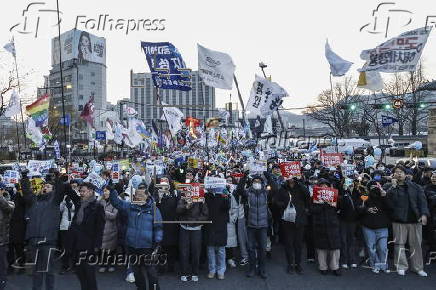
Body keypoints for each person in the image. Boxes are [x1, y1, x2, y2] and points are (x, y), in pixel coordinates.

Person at [109, 182, 163, 290]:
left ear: (147, 195)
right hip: (132, 246)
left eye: (141, 195)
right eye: (137, 195)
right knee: (137, 272)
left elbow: (158, 227)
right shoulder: (131, 206)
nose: (139, 197)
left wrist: (157, 244)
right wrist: (113, 190)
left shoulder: (154, 209)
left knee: (151, 272)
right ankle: (141, 288)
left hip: (148, 247)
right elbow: (116, 203)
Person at [21, 170, 66, 290]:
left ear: (53, 189)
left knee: (49, 270)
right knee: (36, 271)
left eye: (48, 186)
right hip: (34, 241)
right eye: (44, 186)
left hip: (48, 241)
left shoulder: (55, 201)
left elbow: (61, 189)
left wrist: (57, 177)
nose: (44, 187)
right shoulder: (34, 201)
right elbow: (26, 192)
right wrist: (25, 178)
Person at [385, 165, 430, 277]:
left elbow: (422, 202)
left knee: (416, 245)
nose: (399, 174)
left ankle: (418, 267)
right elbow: (389, 204)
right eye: (396, 172)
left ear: (405, 174)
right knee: (399, 244)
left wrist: (424, 214)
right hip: (399, 220)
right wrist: (393, 188)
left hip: (415, 219)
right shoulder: (390, 187)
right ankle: (401, 266)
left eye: (401, 172)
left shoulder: (416, 187)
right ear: (393, 175)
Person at [68, 182, 106, 290]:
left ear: (90, 191)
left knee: (89, 275)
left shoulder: (97, 206)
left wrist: (96, 246)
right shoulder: (79, 204)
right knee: (80, 273)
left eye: (83, 191)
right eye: (80, 191)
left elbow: (100, 228)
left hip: (89, 246)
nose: (81, 193)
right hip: (76, 245)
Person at [273, 177, 310, 274]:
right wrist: (284, 205)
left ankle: (298, 264)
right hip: (287, 220)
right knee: (288, 244)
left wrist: (299, 182)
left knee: (298, 245)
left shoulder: (301, 187)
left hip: (299, 220)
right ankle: (290, 264)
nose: (290, 178)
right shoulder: (282, 188)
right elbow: (275, 201)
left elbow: (307, 195)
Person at [236, 174, 269, 279]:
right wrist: (244, 176)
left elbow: (276, 188)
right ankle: (252, 269)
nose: (257, 183)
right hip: (251, 225)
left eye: (259, 181)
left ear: (262, 183)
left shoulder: (266, 192)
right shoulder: (248, 192)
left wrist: (267, 173)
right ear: (252, 183)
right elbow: (239, 190)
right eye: (255, 181)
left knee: (263, 249)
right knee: (250, 248)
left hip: (263, 225)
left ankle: (262, 269)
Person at [176, 183, 209, 282]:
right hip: (184, 228)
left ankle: (195, 273)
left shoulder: (201, 200)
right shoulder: (183, 198)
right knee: (184, 252)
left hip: (196, 229)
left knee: (196, 252)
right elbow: (178, 210)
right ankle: (184, 273)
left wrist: (196, 221)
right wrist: (186, 206)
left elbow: (205, 215)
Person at [357, 181, 391, 273]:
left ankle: (383, 265)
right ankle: (374, 265)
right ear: (368, 188)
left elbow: (390, 208)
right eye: (371, 187)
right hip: (368, 227)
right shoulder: (364, 197)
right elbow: (359, 210)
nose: (374, 188)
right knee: (371, 248)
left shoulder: (384, 196)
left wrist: (384, 196)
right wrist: (366, 209)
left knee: (383, 248)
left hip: (383, 227)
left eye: (376, 186)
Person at [311, 179, 342, 276]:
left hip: (332, 224)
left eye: (326, 186)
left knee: (335, 247)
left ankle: (335, 267)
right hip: (320, 224)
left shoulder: (334, 196)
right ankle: (323, 267)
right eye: (322, 186)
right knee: (321, 248)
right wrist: (321, 204)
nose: (324, 188)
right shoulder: (314, 197)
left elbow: (340, 207)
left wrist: (334, 202)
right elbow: (312, 210)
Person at [205, 187, 230, 280]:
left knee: (221, 249)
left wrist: (226, 196)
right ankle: (212, 270)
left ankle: (221, 270)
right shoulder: (207, 195)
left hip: (221, 224)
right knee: (210, 249)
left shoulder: (224, 193)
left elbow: (227, 206)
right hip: (210, 224)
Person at [98, 186, 118, 273]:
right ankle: (103, 264)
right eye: (104, 191)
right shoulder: (99, 201)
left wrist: (103, 211)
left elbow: (114, 216)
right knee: (101, 249)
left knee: (111, 249)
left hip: (111, 230)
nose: (105, 193)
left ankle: (111, 264)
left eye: (107, 191)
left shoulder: (115, 202)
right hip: (101, 229)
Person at [0, 183, 14, 290]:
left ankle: (2, 283)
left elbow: (10, 208)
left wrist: (1, 197)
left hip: (1, 240)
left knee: (2, 265)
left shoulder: (7, 203)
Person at [59, 193, 76, 274]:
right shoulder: (64, 200)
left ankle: (74, 266)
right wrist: (63, 200)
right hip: (64, 226)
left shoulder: (76, 199)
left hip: (73, 226)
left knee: (73, 248)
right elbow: (60, 209)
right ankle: (64, 266)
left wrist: (72, 201)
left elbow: (75, 209)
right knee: (64, 248)